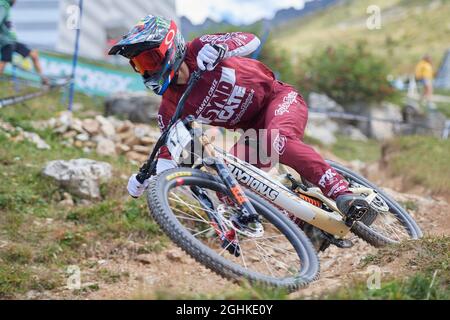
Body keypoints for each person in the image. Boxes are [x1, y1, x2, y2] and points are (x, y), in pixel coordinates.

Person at [108, 15, 369, 220]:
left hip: (278, 99)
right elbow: (166, 158)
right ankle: (303, 222)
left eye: (151, 60)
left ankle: (342, 192)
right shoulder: (169, 107)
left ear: (170, 46)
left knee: (277, 140)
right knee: (230, 188)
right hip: (252, 133)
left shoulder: (199, 48)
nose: (147, 70)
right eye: (140, 65)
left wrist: (222, 48)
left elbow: (250, 39)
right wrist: (151, 183)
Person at [0, 0, 48, 84]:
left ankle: (44, 80)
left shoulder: (6, 6)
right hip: (6, 42)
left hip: (12, 41)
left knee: (34, 55)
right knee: (4, 62)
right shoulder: (3, 5)